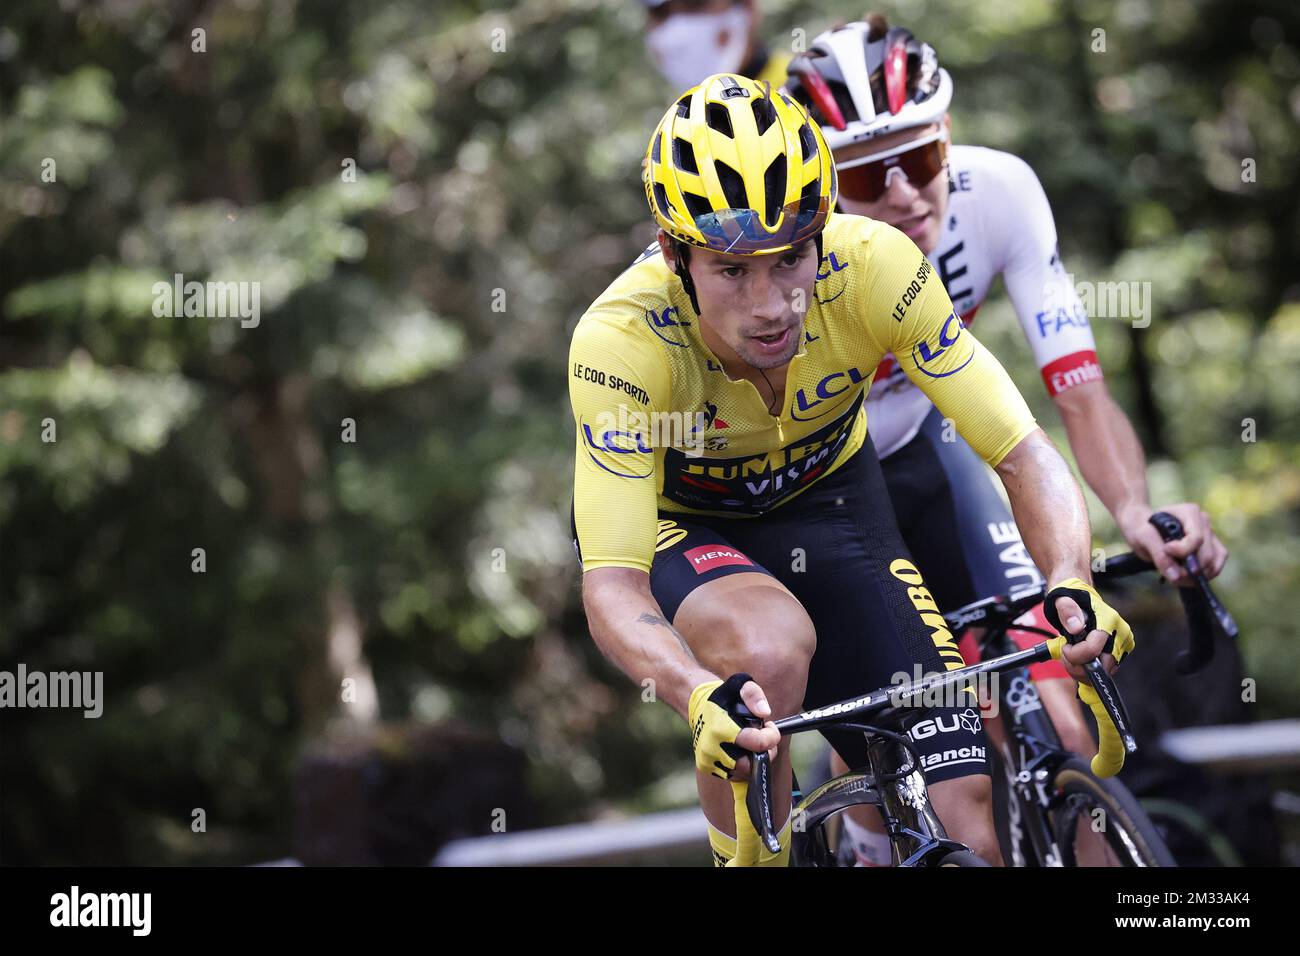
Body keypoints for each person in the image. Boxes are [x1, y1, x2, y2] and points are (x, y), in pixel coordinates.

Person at [568, 72, 1134, 866]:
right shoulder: (623, 343)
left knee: (967, 807)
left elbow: (1020, 449)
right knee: (765, 649)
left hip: (832, 505)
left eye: (791, 257)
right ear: (675, 254)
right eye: (733, 270)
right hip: (686, 523)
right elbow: (614, 587)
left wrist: (1070, 579)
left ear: (825, 230)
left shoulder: (876, 268)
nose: (771, 304)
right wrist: (694, 693)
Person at [784, 15, 1228, 865]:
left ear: (948, 137)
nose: (908, 195)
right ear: (824, 187)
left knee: (1060, 714)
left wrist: (1131, 509)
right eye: (871, 178)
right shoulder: (789, 261)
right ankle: (868, 837)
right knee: (955, 800)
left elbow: (1079, 386)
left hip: (927, 456)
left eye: (919, 161)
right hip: (823, 495)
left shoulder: (1001, 193)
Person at [639, 0, 788, 91]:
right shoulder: (676, 133)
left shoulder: (804, 87)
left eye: (694, 3)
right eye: (661, 13)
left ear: (748, 7)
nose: (678, 25)